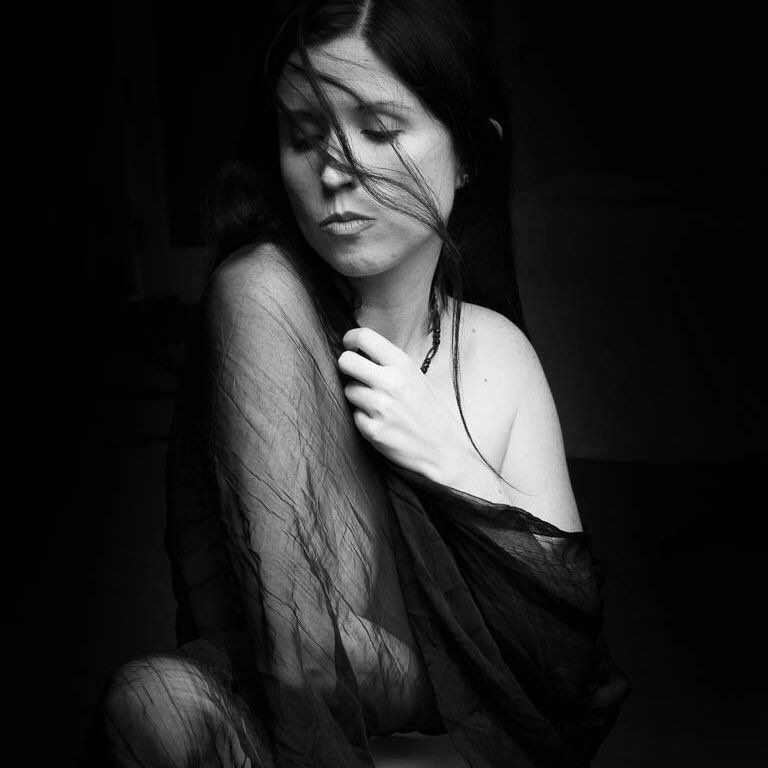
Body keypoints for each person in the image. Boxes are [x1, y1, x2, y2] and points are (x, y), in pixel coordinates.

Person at [87, 0, 630, 765]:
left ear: (469, 152)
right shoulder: (264, 297)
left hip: (464, 733)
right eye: (304, 135)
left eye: (378, 129)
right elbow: (305, 655)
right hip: (307, 722)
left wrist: (447, 457)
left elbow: (567, 657)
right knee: (155, 703)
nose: (335, 171)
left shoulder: (496, 352)